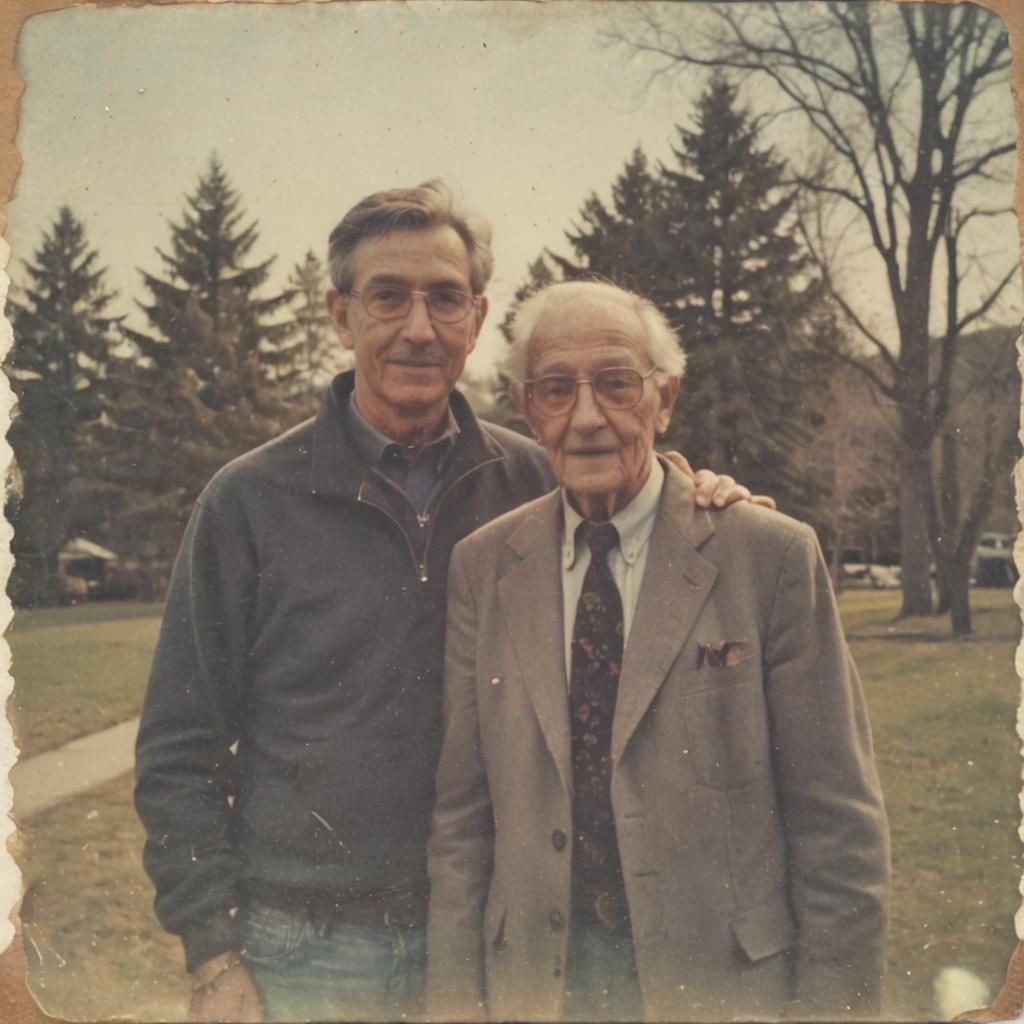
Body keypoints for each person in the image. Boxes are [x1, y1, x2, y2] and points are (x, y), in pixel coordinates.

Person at [133, 182, 759, 1023]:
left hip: (505, 941)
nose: (419, 327)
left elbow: (639, 495)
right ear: (339, 314)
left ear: (477, 317)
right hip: (312, 951)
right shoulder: (247, 502)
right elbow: (179, 747)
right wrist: (212, 953)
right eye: (388, 296)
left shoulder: (536, 480)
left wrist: (697, 488)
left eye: (445, 298)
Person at [426, 280, 891, 1023]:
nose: (586, 419)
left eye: (616, 384)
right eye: (556, 390)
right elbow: (460, 822)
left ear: (665, 399)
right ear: (528, 409)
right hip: (537, 989)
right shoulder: (483, 567)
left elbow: (839, 832)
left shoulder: (768, 556)